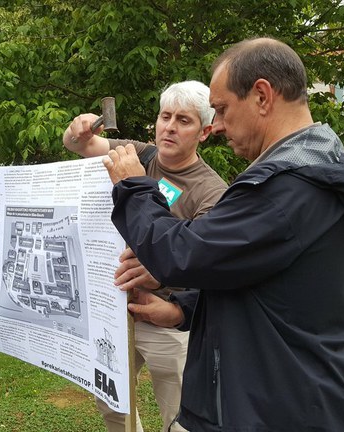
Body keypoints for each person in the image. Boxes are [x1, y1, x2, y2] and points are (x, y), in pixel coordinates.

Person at [101, 37, 344, 431]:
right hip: (292, 400)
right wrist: (182, 309)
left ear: (261, 95)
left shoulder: (288, 189)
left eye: (222, 108)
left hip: (276, 411)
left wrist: (134, 189)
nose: (219, 124)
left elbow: (184, 254)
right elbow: (257, 277)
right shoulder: (309, 171)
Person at [63, 81, 227, 432]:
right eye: (165, 116)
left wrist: (161, 277)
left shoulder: (211, 191)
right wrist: (79, 129)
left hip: (166, 319)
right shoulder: (143, 154)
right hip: (116, 312)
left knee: (182, 417)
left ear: (205, 132)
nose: (170, 127)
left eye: (184, 120)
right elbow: (82, 144)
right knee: (111, 401)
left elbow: (205, 264)